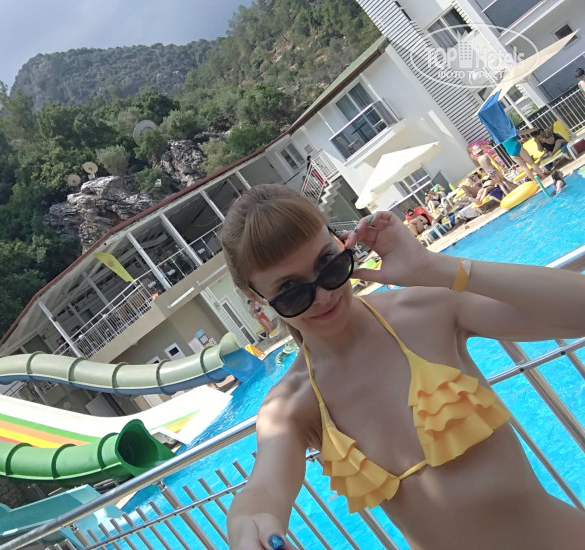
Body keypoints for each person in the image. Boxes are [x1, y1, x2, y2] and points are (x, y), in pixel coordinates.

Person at [222, 184, 585, 550]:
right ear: (257, 298)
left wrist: (436, 267)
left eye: (328, 264)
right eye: (291, 289)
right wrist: (247, 525)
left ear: (342, 241)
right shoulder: (293, 404)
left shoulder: (424, 311)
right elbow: (263, 491)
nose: (324, 294)